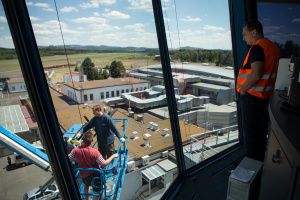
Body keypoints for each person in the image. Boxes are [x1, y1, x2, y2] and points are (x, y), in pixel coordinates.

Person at [236, 20, 280, 162]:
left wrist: (242, 90)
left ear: (254, 32)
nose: (243, 38)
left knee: (252, 133)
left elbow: (256, 74)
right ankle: (260, 160)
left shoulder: (257, 48)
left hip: (252, 98)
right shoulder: (274, 47)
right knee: (260, 133)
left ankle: (251, 165)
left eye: (245, 34)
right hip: (266, 97)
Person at [68, 131, 118, 200]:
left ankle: (88, 199)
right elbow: (104, 163)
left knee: (86, 185)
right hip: (95, 174)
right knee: (96, 190)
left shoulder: (75, 150)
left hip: (83, 173)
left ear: (83, 139)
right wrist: (113, 156)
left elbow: (69, 158)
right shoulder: (95, 152)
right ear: (92, 140)